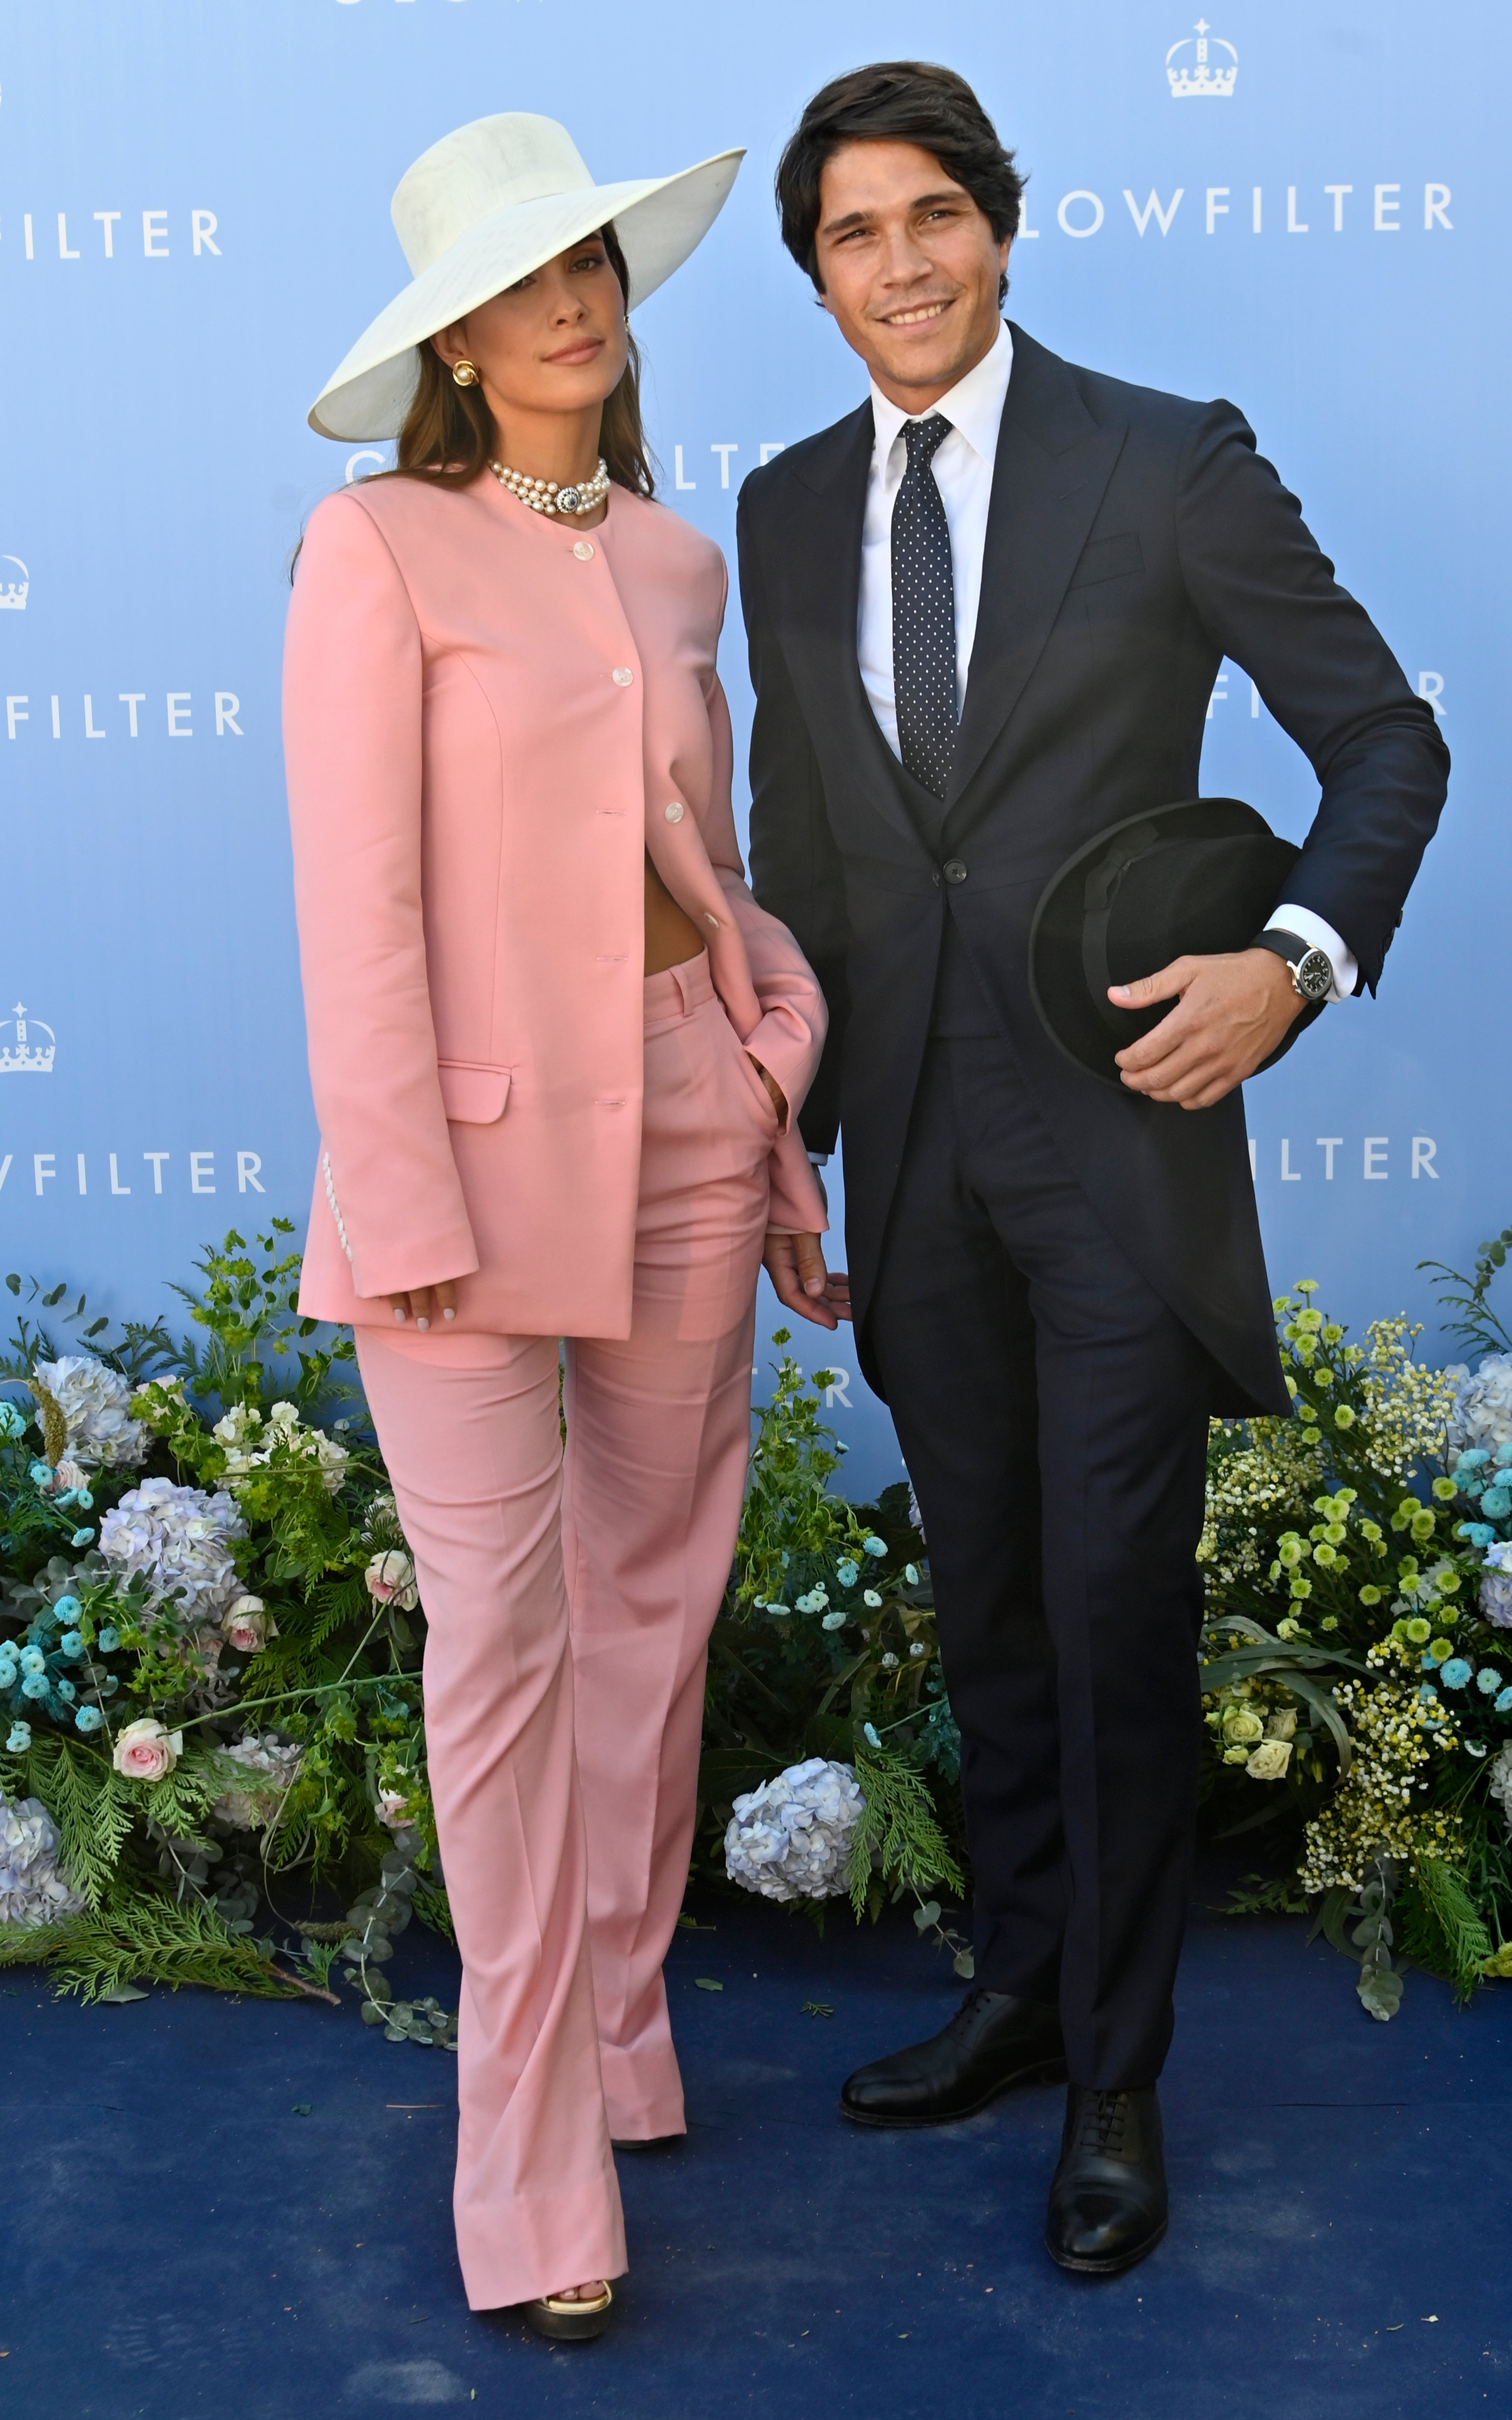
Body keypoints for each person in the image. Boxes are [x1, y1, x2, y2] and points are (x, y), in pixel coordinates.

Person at [740, 61, 1448, 2277]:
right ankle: (1023, 1988)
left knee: (1115, 1600)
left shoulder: (1165, 456)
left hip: (1123, 1138)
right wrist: (784, 1124)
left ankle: (1119, 2076)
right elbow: (803, 845)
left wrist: (1292, 961)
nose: (899, 266)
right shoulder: (776, 507)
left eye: (929, 215)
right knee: (988, 1604)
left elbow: (1381, 739)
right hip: (911, 1142)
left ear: (999, 224)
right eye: (851, 235)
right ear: (817, 275)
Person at [283, 111, 829, 2338]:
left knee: (649, 1612)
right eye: (526, 281)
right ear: (457, 334)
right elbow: (362, 901)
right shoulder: (377, 549)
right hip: (467, 1174)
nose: (578, 304)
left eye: (593, 263)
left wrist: (773, 1061)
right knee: (497, 1662)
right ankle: (526, 2175)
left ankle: (625, 2030)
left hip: (689, 1116)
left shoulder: (681, 564)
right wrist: (398, 1177)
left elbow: (696, 862)